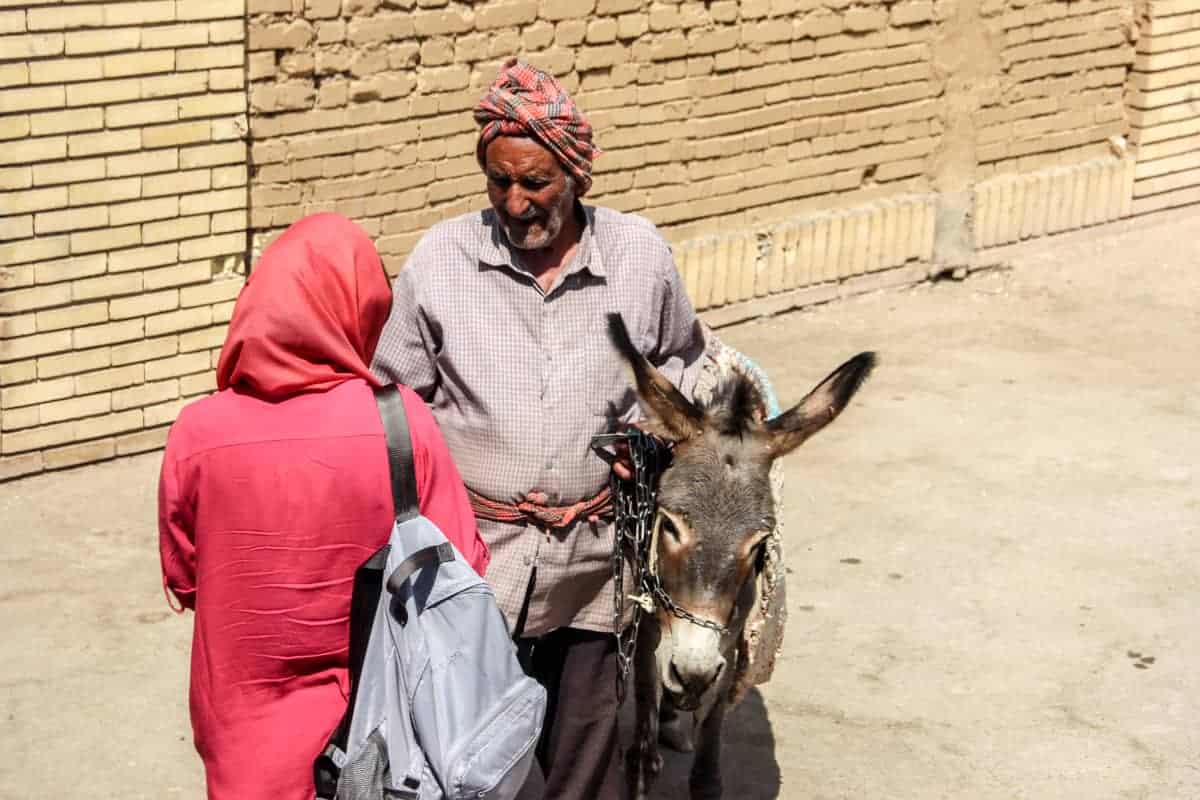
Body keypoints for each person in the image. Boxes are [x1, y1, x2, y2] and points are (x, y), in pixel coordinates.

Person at [371, 58, 707, 799]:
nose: (516, 202)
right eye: (499, 182)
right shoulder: (441, 261)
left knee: (586, 763)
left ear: (577, 175)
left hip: (597, 567)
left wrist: (654, 439)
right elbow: (393, 400)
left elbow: (687, 361)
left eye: (536, 183)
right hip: (475, 568)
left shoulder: (639, 257)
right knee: (475, 757)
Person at [157, 212, 490, 800]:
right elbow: (463, 563)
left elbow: (187, 580)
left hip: (244, 747)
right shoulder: (401, 421)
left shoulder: (196, 434)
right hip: (378, 741)